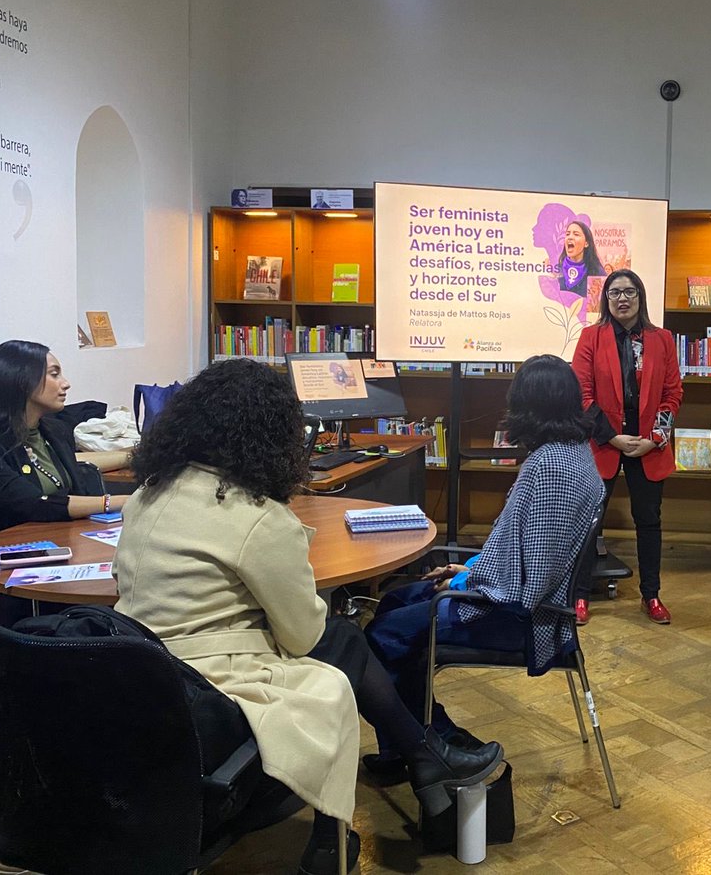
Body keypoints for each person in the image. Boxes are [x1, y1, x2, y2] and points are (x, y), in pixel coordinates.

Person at [112, 359, 503, 875]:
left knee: (341, 642)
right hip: (207, 691)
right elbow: (302, 635)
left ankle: (415, 762)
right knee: (338, 644)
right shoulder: (254, 516)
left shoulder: (148, 493)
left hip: (134, 673)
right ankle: (412, 766)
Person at [364, 355, 604, 763]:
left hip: (519, 619)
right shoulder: (575, 453)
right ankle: (405, 748)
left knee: (381, 636)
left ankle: (431, 746)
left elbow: (530, 584)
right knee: (394, 604)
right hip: (512, 599)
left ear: (530, 406)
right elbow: (524, 550)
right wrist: (471, 568)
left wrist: (463, 585)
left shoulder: (548, 467)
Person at [570, 268, 682, 625]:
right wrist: (612, 437)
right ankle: (579, 595)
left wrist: (655, 439)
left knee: (649, 521)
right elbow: (581, 395)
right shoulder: (591, 337)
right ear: (606, 299)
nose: (622, 298)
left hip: (648, 445)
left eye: (629, 292)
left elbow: (672, 394)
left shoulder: (662, 339)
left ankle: (652, 595)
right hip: (604, 443)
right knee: (590, 522)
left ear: (640, 297)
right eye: (615, 292)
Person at [0, 340, 132, 540]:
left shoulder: (53, 430)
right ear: (22, 381)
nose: (66, 383)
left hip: (59, 539)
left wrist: (132, 455)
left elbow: (75, 462)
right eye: (54, 374)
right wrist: (119, 501)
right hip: (6, 549)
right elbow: (34, 503)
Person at [558, 220, 605, 298]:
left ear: (586, 243)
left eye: (576, 234)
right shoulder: (558, 270)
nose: (570, 237)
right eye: (567, 234)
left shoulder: (597, 272)